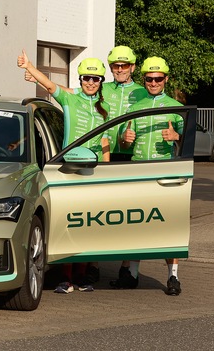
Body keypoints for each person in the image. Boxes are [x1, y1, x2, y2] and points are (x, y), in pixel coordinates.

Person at [17, 51, 110, 293]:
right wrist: (30, 66)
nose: (91, 83)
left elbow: (105, 144)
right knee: (69, 224)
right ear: (80, 80)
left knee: (88, 225)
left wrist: (109, 174)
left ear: (101, 82)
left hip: (93, 173)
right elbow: (49, 85)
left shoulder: (105, 108)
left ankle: (82, 275)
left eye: (95, 79)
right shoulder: (70, 99)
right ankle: (65, 277)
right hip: (68, 171)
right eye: (86, 78)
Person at [112, 56, 183, 296]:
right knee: (136, 223)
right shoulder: (136, 106)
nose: (153, 83)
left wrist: (177, 138)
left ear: (166, 79)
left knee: (168, 225)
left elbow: (188, 139)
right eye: (150, 79)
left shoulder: (175, 107)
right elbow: (123, 136)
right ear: (144, 79)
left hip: (164, 172)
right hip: (138, 170)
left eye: (158, 79)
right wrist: (125, 139)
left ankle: (173, 277)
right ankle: (132, 273)